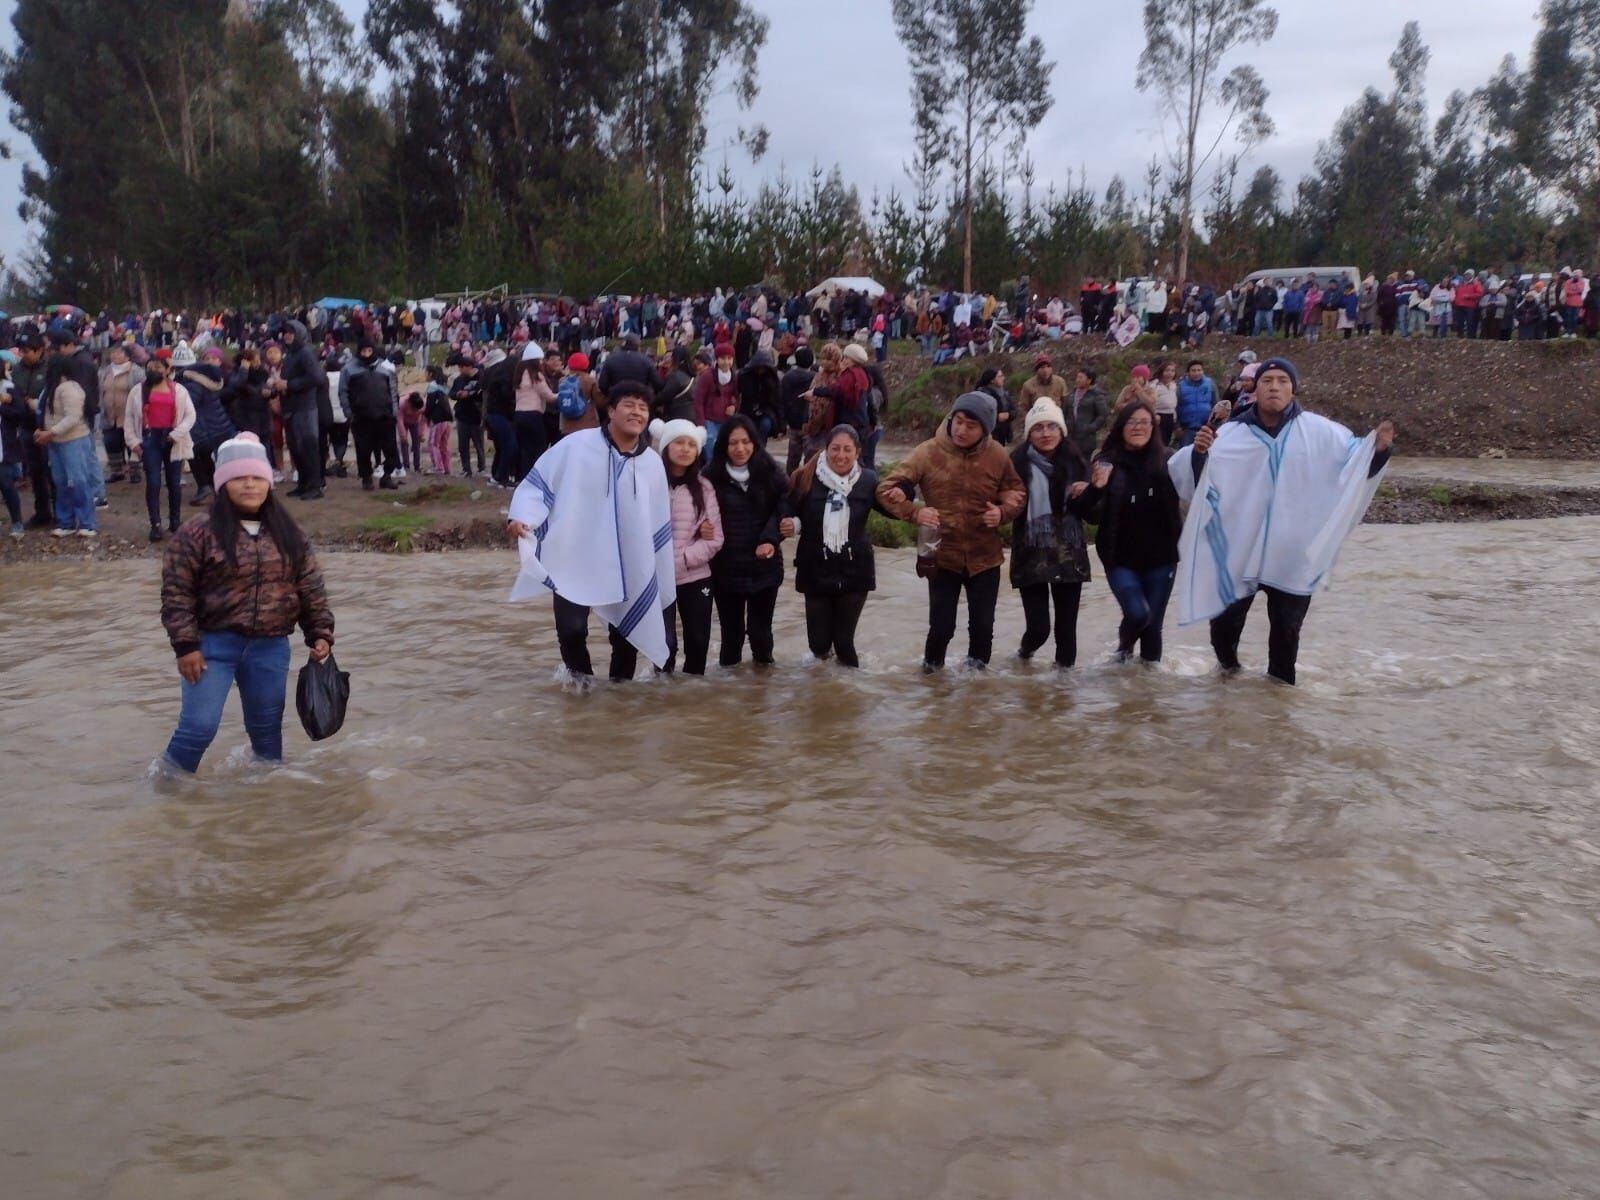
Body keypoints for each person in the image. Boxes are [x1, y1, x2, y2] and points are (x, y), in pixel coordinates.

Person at [1170, 356, 1396, 685]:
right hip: (1238, 550)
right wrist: (1199, 453)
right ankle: (1228, 680)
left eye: (1282, 381)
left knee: (1286, 637)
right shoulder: (1231, 434)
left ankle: (1277, 701)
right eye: (1267, 380)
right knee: (1223, 630)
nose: (1274, 387)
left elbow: (1355, 462)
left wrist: (1379, 451)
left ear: (1293, 389)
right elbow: (1192, 478)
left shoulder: (1321, 432)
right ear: (1255, 389)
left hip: (1291, 554)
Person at [158, 432, 334, 775]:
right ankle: (165, 789)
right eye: (239, 477)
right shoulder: (196, 532)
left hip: (270, 647)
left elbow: (310, 586)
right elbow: (177, 594)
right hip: (211, 647)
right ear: (222, 483)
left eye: (257, 477)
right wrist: (185, 646)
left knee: (267, 735)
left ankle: (266, 795)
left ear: (269, 482)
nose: (250, 485)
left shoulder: (290, 532)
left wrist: (320, 633)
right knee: (198, 728)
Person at [506, 381, 676, 682]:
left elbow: (658, 524)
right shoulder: (575, 446)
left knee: (625, 637)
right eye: (629, 405)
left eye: (643, 407)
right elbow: (539, 485)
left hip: (627, 561)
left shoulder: (651, 464)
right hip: (575, 554)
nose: (637, 412)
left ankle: (618, 697)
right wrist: (521, 517)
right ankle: (581, 687)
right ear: (611, 410)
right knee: (571, 630)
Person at [876, 391, 1025, 671]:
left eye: (971, 425)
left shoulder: (997, 455)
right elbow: (886, 489)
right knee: (941, 628)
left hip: (985, 557)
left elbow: (1017, 493)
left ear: (985, 429)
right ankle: (932, 682)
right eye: (958, 421)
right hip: (942, 555)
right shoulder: (928, 452)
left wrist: (1002, 513)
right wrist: (915, 512)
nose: (961, 430)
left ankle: (976, 686)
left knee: (983, 629)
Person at [1082, 402, 1181, 663]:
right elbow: (1087, 513)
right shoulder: (1105, 462)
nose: (1138, 427)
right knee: (1138, 614)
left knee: (1153, 628)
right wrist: (1095, 488)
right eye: (1132, 422)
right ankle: (1123, 651)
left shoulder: (1169, 460)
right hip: (1119, 557)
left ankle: (1146, 684)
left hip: (1162, 557)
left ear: (1153, 427)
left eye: (1144, 422)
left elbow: (1195, 481)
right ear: (1121, 427)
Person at [779, 425, 877, 667]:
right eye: (835, 448)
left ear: (857, 452)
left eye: (847, 450)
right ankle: (821, 686)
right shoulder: (804, 478)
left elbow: (895, 508)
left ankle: (851, 687)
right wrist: (793, 524)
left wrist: (910, 504)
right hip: (815, 569)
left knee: (844, 644)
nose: (840, 455)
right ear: (826, 449)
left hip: (855, 571)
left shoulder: (868, 481)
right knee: (819, 646)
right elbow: (785, 511)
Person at [1009, 398, 1096, 668]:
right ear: (1029, 434)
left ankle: (1063, 687)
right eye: (1038, 428)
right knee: (1039, 629)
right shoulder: (1015, 464)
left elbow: (1092, 515)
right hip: (1030, 555)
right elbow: (1004, 506)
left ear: (1061, 430)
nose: (1046, 433)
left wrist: (1093, 492)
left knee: (1066, 631)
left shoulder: (1077, 463)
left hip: (1069, 555)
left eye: (1051, 426)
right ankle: (1023, 657)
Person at [705, 415, 785, 667]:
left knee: (762, 636)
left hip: (765, 568)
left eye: (746, 442)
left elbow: (784, 508)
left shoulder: (771, 473)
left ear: (755, 443)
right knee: (732, 637)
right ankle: (728, 689)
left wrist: (770, 538)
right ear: (723, 446)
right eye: (733, 443)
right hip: (726, 570)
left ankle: (762, 686)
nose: (740, 449)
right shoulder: (710, 478)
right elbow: (697, 513)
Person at [654, 418, 723, 674]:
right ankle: (663, 692)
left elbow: (715, 538)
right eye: (679, 442)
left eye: (691, 444)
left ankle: (694, 695)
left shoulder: (704, 488)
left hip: (695, 576)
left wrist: (683, 558)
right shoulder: (651, 483)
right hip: (657, 578)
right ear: (665, 446)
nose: (685, 449)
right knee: (664, 645)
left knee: (697, 642)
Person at [123, 354, 195, 542]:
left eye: (157, 367)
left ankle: (175, 521)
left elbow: (190, 415)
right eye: (150, 367)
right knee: (153, 482)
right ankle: (155, 524)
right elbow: (129, 417)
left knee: (174, 482)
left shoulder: (179, 390)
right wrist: (133, 442)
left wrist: (177, 434)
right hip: (149, 439)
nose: (153, 371)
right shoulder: (137, 391)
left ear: (167, 370)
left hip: (172, 438)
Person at [341, 339, 401, 491]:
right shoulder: (349, 369)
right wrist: (349, 413)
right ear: (359, 352)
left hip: (385, 416)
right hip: (361, 417)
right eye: (363, 351)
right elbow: (343, 392)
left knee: (391, 449)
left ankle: (387, 476)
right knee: (363, 450)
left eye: (369, 351)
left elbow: (393, 391)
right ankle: (366, 478)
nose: (367, 354)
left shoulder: (385, 369)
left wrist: (394, 412)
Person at [272, 322, 321, 500]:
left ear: (299, 333)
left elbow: (317, 377)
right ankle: (303, 484)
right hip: (291, 407)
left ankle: (315, 486)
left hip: (305, 407)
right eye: (285, 332)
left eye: (290, 332)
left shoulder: (305, 353)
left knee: (308, 446)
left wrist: (289, 384)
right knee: (295, 448)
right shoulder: (290, 354)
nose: (287, 335)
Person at [98, 341, 142, 483]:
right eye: (113, 352)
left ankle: (135, 472)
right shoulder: (105, 371)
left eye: (119, 353)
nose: (115, 355)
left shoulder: (136, 372)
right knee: (111, 442)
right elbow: (101, 391)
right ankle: (116, 471)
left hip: (129, 415)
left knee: (131, 443)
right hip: (109, 415)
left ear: (127, 356)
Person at [481, 345, 518, 488]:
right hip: (499, 414)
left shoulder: (492, 374)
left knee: (501, 447)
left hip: (491, 415)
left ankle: (496, 475)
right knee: (509, 445)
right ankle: (501, 476)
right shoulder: (504, 377)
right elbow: (506, 396)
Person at [779, 345, 817, 474]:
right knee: (810, 456)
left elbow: (782, 400)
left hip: (793, 422)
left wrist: (783, 422)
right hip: (810, 422)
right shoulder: (815, 377)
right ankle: (806, 480)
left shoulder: (788, 377)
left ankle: (791, 479)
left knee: (793, 456)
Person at [449, 355, 486, 477]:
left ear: (469, 367)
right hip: (462, 416)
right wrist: (458, 394)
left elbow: (482, 393)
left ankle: (482, 467)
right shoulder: (458, 380)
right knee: (463, 445)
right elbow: (451, 393)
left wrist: (469, 394)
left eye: (462, 367)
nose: (460, 370)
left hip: (476, 416)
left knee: (478, 443)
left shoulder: (481, 378)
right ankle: (466, 469)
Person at [1174, 359, 1218, 448]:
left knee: (1205, 453)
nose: (1197, 373)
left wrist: (1214, 424)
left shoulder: (1210, 384)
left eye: (1199, 370)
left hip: (1206, 428)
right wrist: (1177, 427)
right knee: (1185, 453)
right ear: (1188, 372)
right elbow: (1176, 407)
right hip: (1187, 429)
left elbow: (1216, 404)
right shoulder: (1181, 386)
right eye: (1193, 370)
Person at [1067, 367, 1108, 459]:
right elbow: (1065, 412)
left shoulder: (1096, 395)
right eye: (1077, 377)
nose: (1078, 380)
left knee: (1084, 462)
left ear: (1089, 380)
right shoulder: (1071, 394)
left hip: (1086, 437)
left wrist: (1091, 427)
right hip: (1071, 435)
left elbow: (1103, 415)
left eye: (1081, 377)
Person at [423, 366, 454, 475]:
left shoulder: (432, 387)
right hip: (448, 419)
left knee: (433, 444)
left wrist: (426, 417)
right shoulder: (443, 386)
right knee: (444, 445)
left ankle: (438, 467)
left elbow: (429, 405)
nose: (425, 375)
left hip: (438, 419)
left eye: (426, 373)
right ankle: (447, 468)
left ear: (430, 374)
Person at [976, 365, 1015, 445]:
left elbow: (1014, 411)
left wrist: (1009, 415)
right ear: (992, 380)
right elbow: (980, 415)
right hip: (989, 435)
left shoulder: (1005, 393)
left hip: (1003, 434)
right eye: (1000, 376)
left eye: (1003, 376)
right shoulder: (983, 394)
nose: (1003, 378)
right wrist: (997, 417)